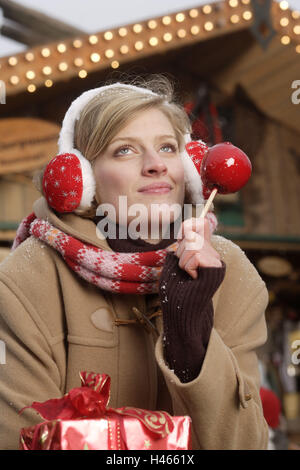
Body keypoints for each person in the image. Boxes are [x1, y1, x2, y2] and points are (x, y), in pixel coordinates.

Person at [0, 76, 269, 450]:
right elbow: (20, 438)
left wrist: (192, 337)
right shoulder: (26, 276)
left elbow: (244, 444)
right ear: (83, 180)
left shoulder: (232, 270)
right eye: (124, 150)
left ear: (190, 167)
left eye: (168, 147)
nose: (156, 165)